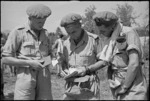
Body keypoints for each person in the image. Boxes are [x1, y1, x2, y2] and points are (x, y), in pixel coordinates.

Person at [2, 4, 53, 100]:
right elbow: (5, 59)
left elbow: (49, 55)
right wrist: (29, 63)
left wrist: (44, 63)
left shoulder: (45, 33)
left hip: (44, 78)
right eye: (39, 22)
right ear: (30, 18)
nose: (42, 24)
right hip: (26, 76)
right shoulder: (18, 32)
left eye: (44, 21)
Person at [92, 11, 147, 100]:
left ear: (113, 26)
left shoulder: (128, 33)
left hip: (133, 86)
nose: (101, 33)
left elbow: (134, 63)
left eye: (103, 31)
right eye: (99, 30)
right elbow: (106, 60)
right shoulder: (109, 38)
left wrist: (124, 87)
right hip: (116, 84)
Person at [59, 13, 109, 100]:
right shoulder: (66, 43)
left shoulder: (93, 40)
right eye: (68, 33)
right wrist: (63, 70)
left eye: (74, 32)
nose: (71, 35)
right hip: (71, 86)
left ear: (80, 26)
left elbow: (103, 61)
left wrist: (86, 69)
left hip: (89, 85)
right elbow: (63, 62)